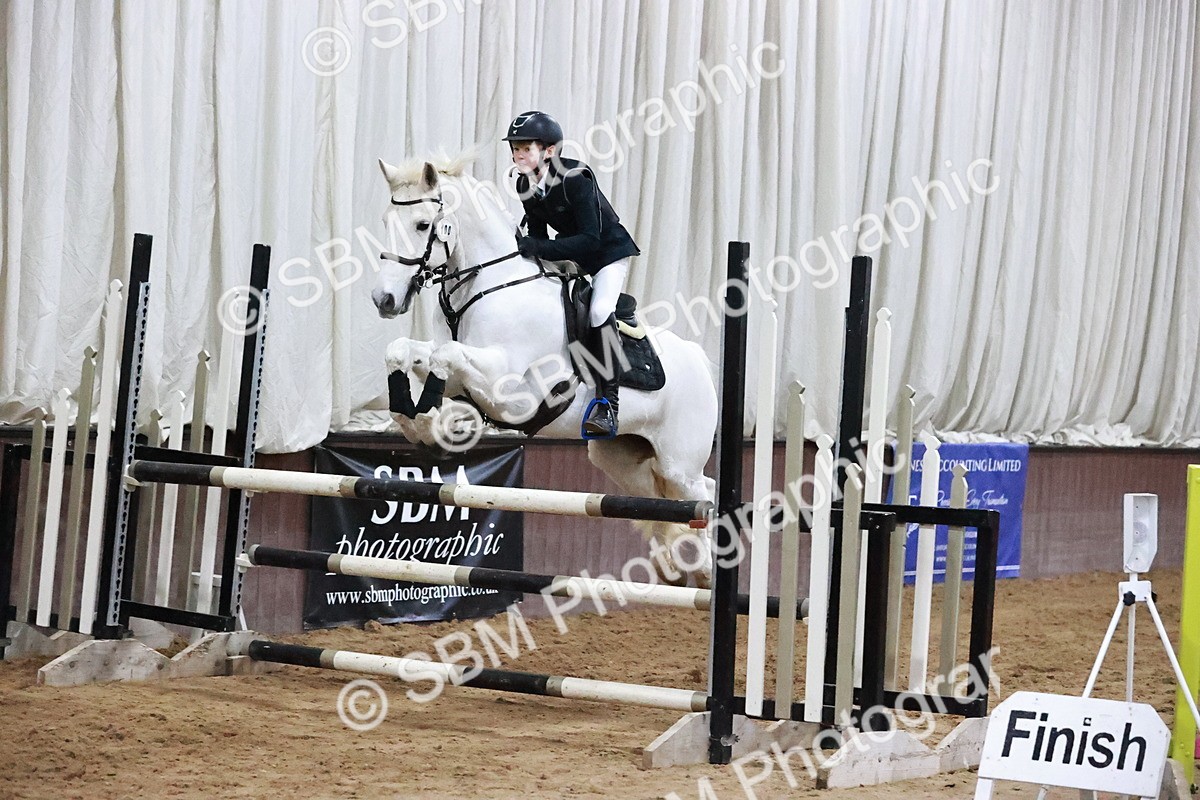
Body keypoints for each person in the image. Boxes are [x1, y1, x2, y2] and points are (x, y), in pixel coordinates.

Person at [505, 110, 640, 438]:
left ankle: (608, 404)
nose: (518, 155)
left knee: (598, 310)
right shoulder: (524, 183)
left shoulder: (576, 177)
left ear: (549, 150)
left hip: (607, 255)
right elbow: (539, 235)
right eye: (515, 149)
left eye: (526, 148)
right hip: (573, 257)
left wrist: (539, 246)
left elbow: (590, 238)